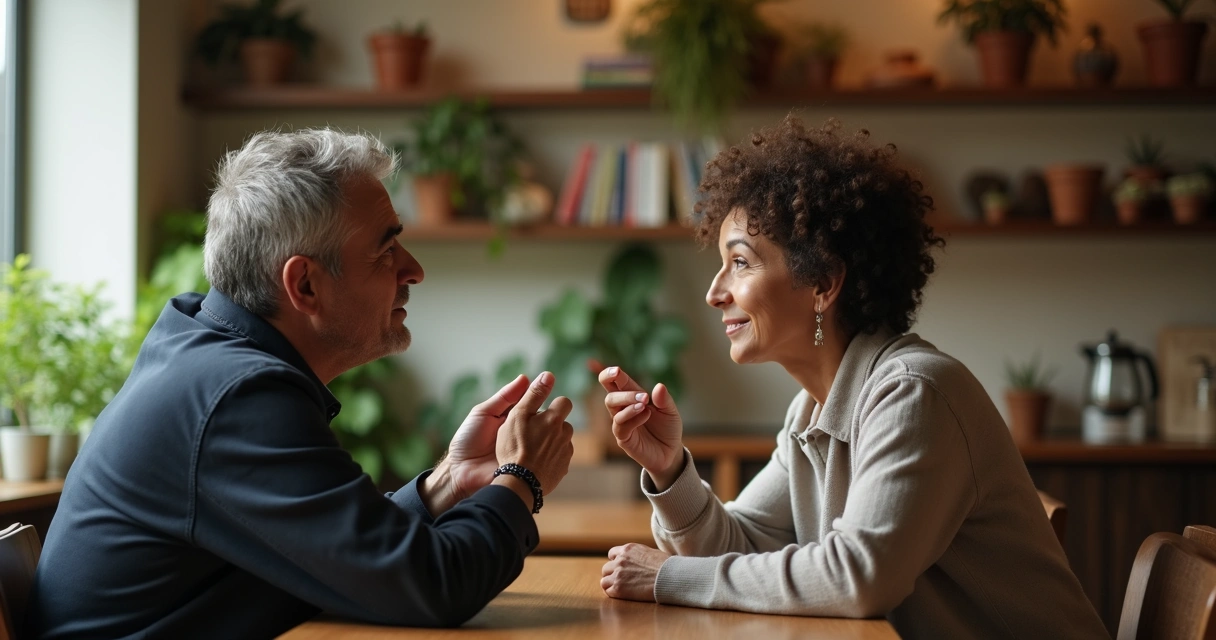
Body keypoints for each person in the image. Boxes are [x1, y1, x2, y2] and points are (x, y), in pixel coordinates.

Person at [28, 129, 575, 638]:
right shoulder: (235, 399)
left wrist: (448, 485)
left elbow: (344, 559)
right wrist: (521, 477)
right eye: (385, 250)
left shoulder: (206, 355)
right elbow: (435, 585)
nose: (413, 269)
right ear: (305, 285)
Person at [596, 117, 1108, 639]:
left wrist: (671, 577)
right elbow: (741, 544)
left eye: (741, 263)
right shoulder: (813, 410)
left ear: (823, 282)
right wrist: (670, 470)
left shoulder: (914, 393)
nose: (715, 292)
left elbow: (858, 577)